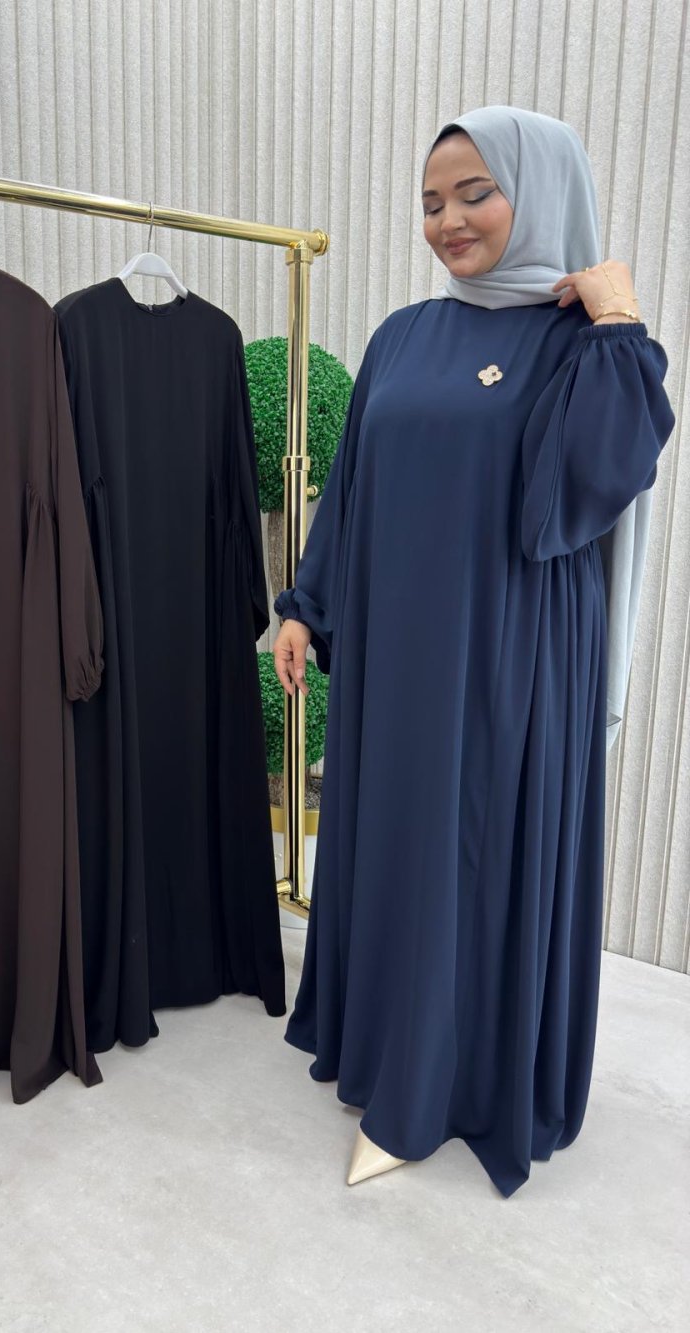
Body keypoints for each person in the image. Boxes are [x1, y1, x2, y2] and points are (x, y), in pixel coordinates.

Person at [273, 106, 675, 1197]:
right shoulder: (403, 335)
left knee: (470, 850)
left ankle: (436, 1091)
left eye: (475, 193)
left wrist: (618, 320)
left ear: (536, 195)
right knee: (399, 838)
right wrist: (307, 605)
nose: (447, 220)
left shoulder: (581, 345)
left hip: (508, 656)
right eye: (430, 201)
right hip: (397, 652)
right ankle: (383, 1039)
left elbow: (601, 478)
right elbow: (353, 486)